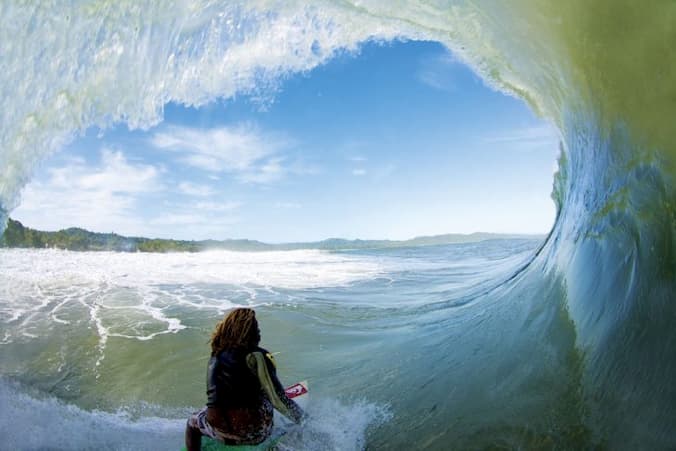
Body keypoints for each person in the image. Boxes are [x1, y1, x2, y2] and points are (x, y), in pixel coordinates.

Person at [185, 308, 304, 450]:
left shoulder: (216, 353)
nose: (259, 331)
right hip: (253, 434)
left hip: (218, 430)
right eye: (256, 327)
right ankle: (273, 445)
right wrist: (304, 419)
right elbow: (277, 399)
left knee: (192, 422)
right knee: (266, 397)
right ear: (247, 331)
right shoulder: (257, 356)